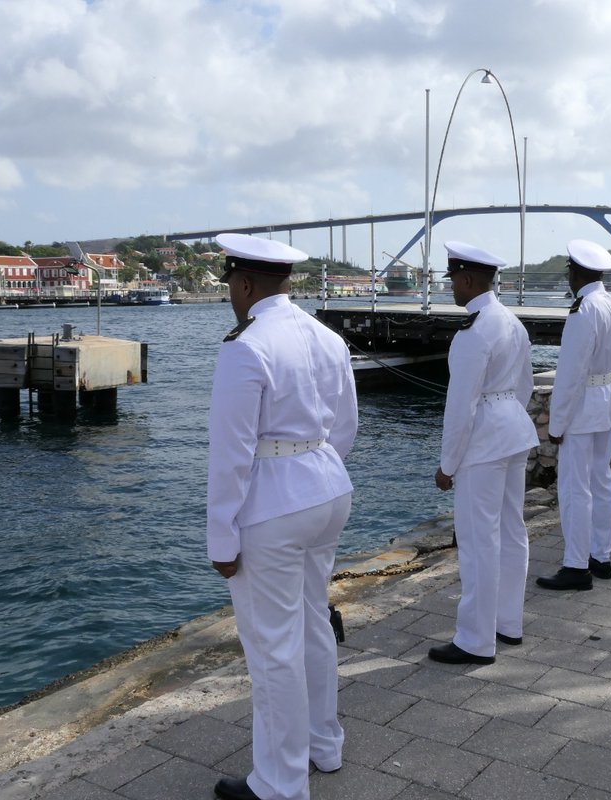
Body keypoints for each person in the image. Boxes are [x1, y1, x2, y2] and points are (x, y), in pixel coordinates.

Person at [207, 233, 358, 800]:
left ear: (243, 283)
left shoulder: (247, 347)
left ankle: (279, 782)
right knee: (313, 622)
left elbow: (230, 455)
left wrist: (221, 538)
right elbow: (345, 427)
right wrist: (312, 471)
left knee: (273, 647)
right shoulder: (327, 337)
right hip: (326, 490)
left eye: (229, 286)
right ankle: (325, 745)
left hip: (274, 505)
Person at [430, 240, 538, 663]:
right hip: (514, 429)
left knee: (478, 541)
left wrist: (447, 464)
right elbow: (525, 384)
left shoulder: (474, 330)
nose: (451, 285)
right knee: (512, 531)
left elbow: (461, 406)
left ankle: (475, 640)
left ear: (469, 278)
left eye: (454, 278)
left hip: (485, 441)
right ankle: (507, 623)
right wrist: (509, 418)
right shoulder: (512, 321)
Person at [535, 239, 611, 587]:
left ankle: (576, 566)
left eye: (569, 271)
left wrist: (557, 422)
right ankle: (600, 557)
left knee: (575, 488)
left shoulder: (583, 310)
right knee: (601, 482)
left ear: (576, 272)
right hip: (606, 402)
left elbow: (571, 373)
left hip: (583, 406)